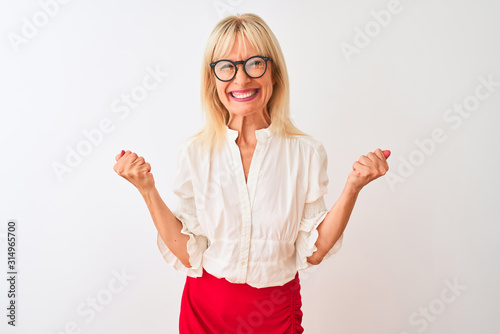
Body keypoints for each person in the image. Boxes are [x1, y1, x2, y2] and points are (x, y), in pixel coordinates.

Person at [113, 13, 390, 334]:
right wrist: (147, 189)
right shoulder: (195, 153)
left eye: (254, 63)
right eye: (226, 67)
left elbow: (313, 253)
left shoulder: (306, 152)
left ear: (274, 73)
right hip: (204, 309)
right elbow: (188, 255)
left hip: (273, 310)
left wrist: (353, 187)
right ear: (212, 79)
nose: (241, 80)